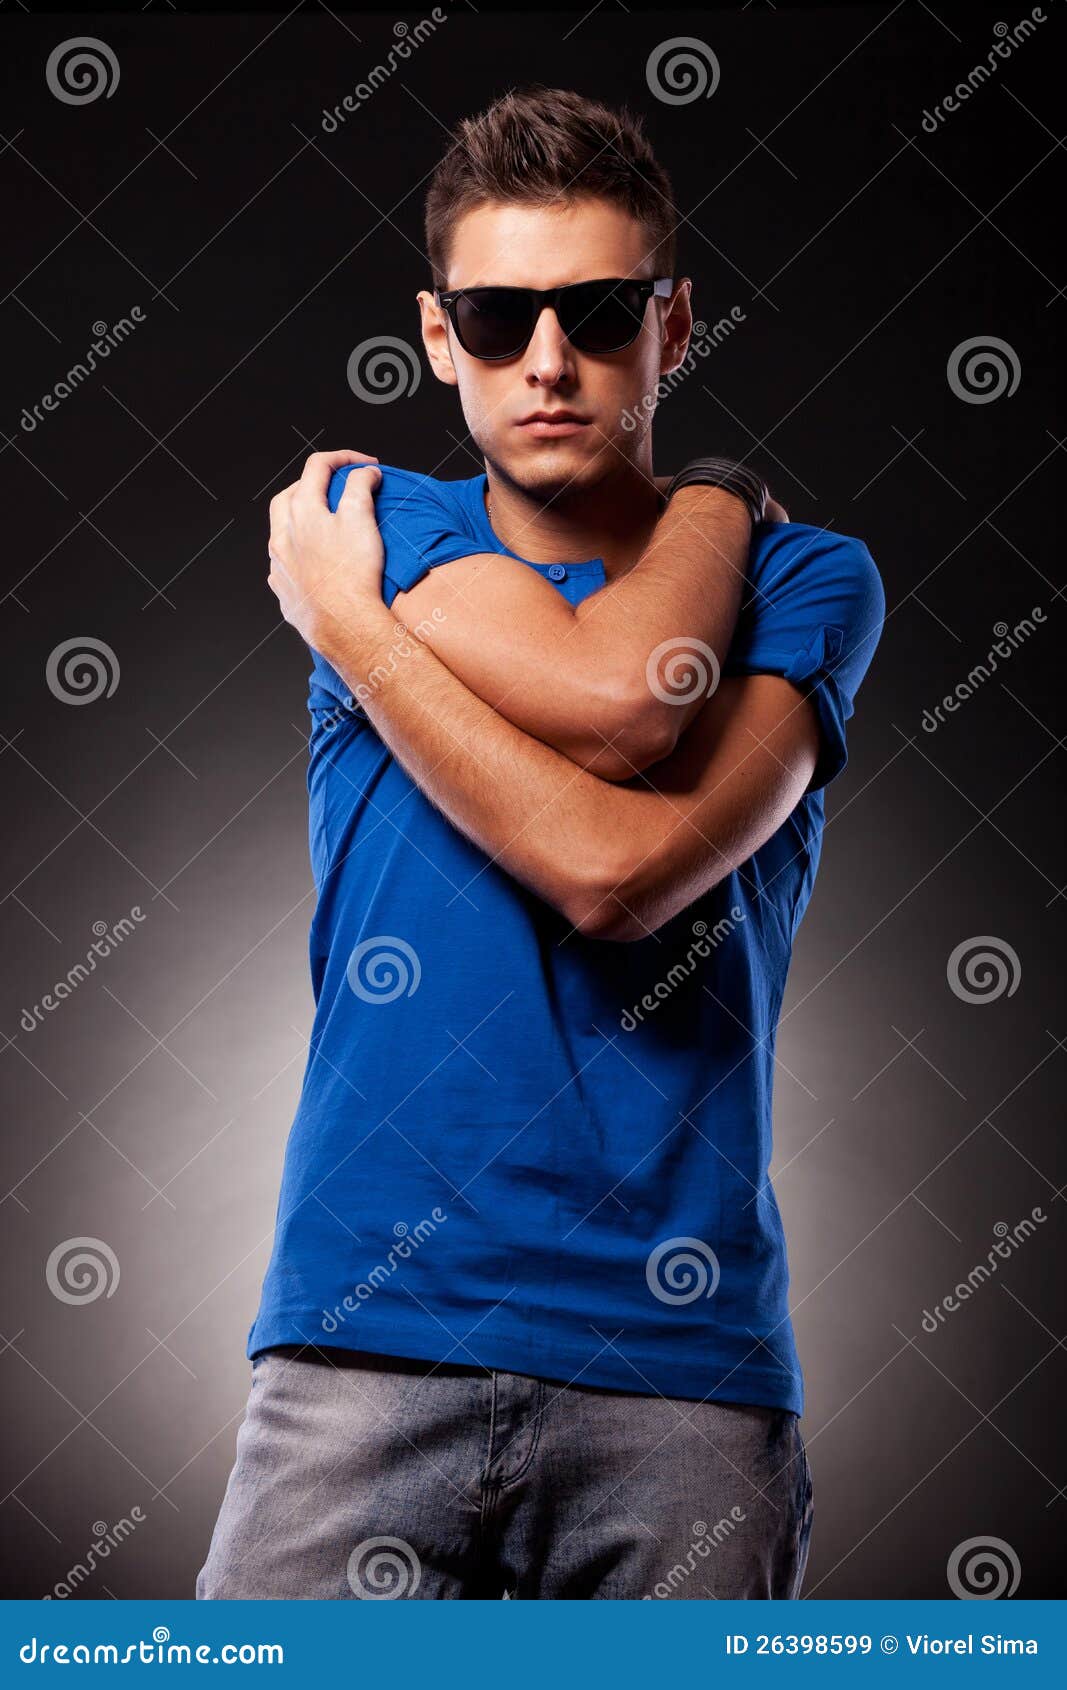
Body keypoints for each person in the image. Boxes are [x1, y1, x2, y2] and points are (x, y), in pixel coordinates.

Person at [197, 86, 884, 1601]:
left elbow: (623, 835)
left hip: (681, 1375)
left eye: (595, 309)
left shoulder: (810, 578)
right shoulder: (381, 526)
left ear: (675, 322)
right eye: (499, 319)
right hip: (363, 1342)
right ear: (438, 338)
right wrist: (369, 611)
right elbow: (624, 707)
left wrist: (355, 634)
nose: (549, 360)